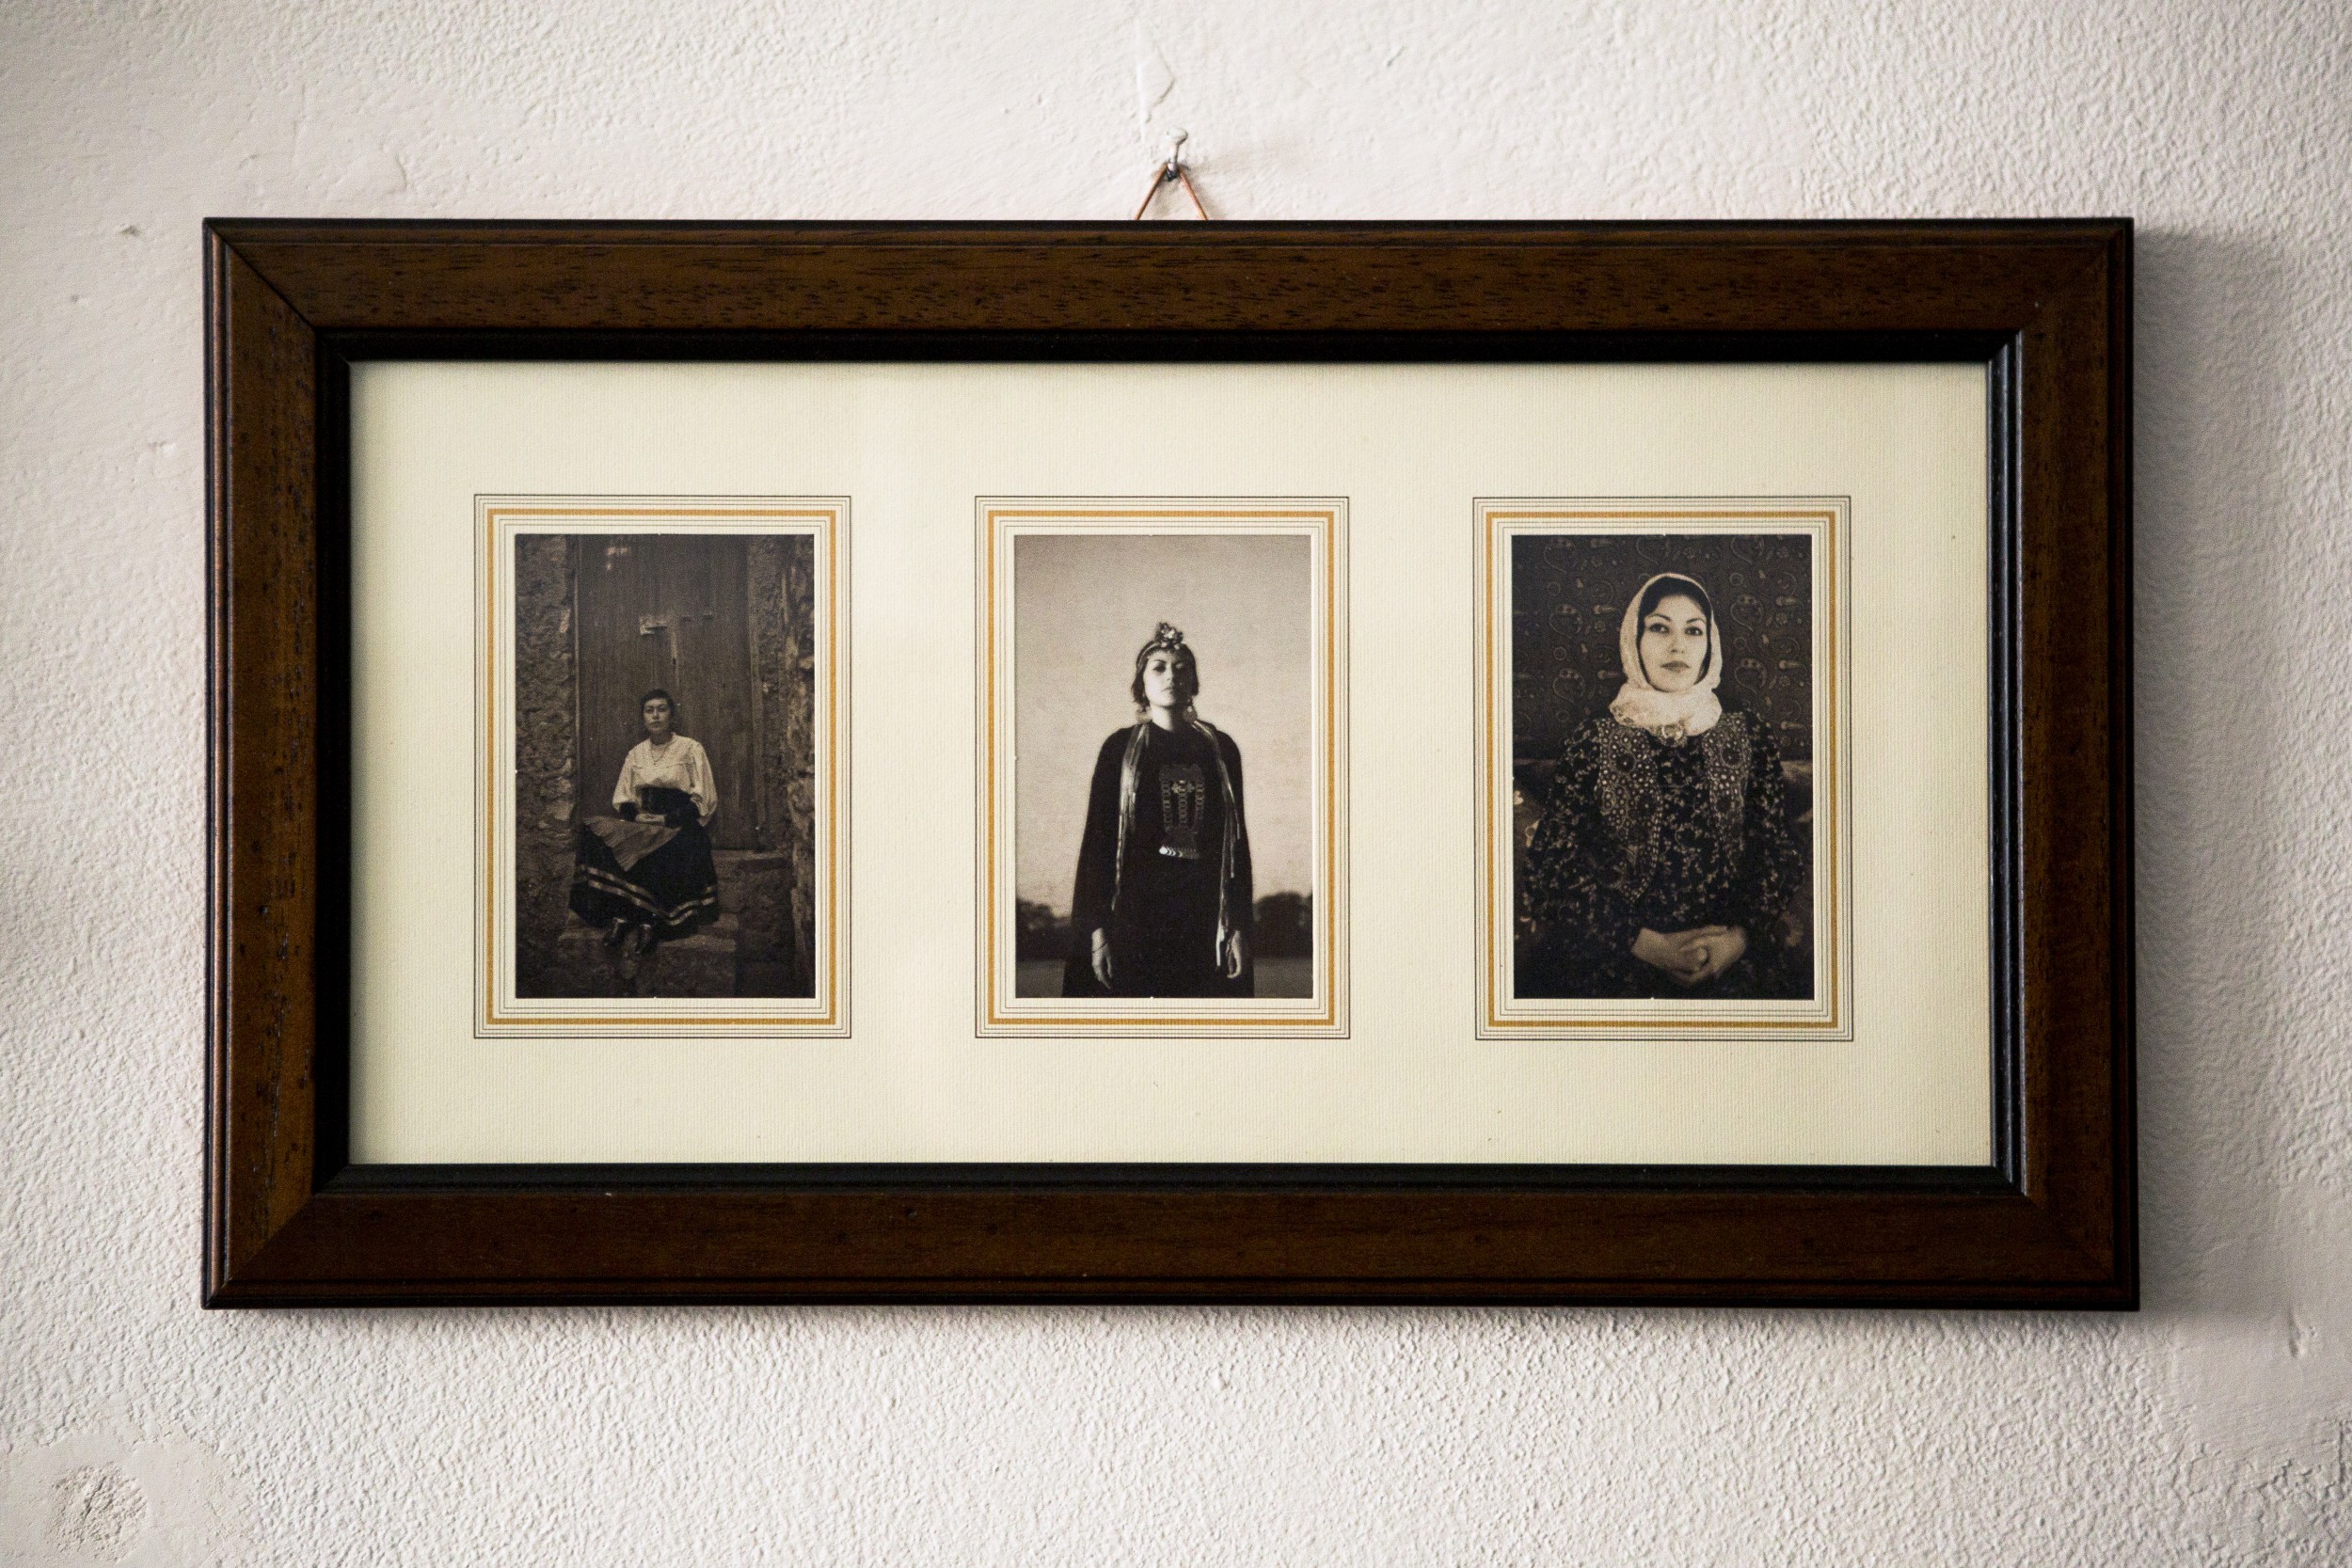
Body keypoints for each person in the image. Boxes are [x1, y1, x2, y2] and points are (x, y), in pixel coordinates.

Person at [1518, 572, 1804, 999]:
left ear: (1710, 644)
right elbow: (1551, 868)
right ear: (1634, 640)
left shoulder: (1747, 733)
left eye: (1693, 630)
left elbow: (1778, 850)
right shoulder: (1593, 739)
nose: (1677, 646)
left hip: (1730, 953)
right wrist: (1650, 946)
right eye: (1659, 628)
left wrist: (1736, 941)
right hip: (1618, 954)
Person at [1062, 623, 1255, 998]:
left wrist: (1238, 927)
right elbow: (1098, 843)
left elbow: (1235, 846)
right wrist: (1097, 931)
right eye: (1159, 667)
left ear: (1194, 682)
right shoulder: (1120, 749)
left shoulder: (1220, 749)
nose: (1172, 676)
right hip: (1134, 916)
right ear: (1141, 683)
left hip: (1202, 916)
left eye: (1182, 668)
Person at [568, 689, 722, 974]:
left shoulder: (690, 749)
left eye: (662, 709)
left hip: (677, 822)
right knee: (594, 831)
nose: (655, 716)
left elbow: (704, 798)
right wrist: (638, 816)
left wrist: (666, 819)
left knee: (666, 848)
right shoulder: (636, 753)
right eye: (649, 710)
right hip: (644, 820)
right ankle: (621, 915)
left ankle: (651, 921)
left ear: (671, 715)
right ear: (643, 717)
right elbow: (623, 796)